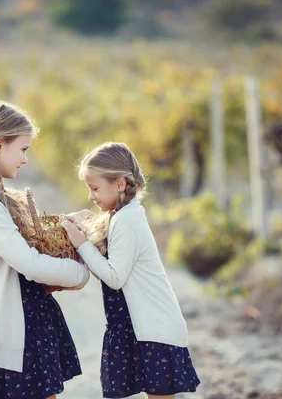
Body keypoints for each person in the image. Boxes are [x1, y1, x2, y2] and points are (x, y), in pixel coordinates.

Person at [0, 99, 89, 399]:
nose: (25, 159)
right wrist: (81, 273)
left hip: (21, 326)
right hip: (12, 335)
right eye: (23, 149)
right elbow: (29, 263)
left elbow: (26, 238)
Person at [62, 142, 200, 398]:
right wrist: (84, 234)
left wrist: (81, 244)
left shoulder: (127, 220)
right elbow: (106, 270)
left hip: (155, 329)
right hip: (138, 327)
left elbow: (114, 278)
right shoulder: (122, 217)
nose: (91, 196)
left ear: (120, 183)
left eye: (95, 188)